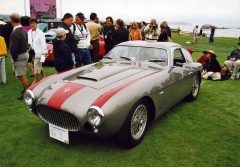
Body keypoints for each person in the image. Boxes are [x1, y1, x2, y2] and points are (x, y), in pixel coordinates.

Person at [9, 13, 30, 100]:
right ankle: (26, 90)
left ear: (11, 20)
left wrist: (13, 57)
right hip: (24, 53)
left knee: (22, 76)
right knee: (20, 75)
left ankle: (28, 93)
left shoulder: (15, 32)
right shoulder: (23, 30)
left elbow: (14, 47)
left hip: (19, 55)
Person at [28, 18, 47, 85]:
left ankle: (35, 79)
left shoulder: (40, 32)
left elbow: (43, 42)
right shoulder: (29, 32)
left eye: (33, 23)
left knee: (36, 65)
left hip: (40, 52)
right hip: (32, 52)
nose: (32, 24)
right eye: (31, 23)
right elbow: (29, 42)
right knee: (38, 65)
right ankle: (43, 76)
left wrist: (44, 52)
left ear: (36, 24)